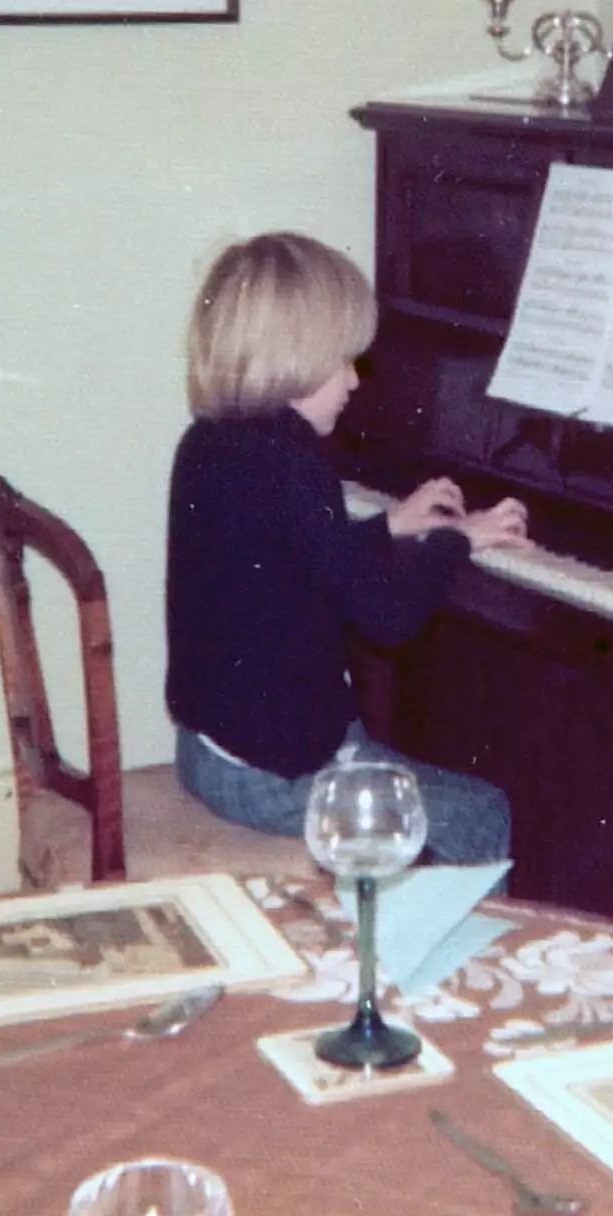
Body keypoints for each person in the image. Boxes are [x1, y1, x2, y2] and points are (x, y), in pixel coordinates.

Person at [166, 231, 529, 863]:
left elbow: (289, 562)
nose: (357, 380)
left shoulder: (210, 442)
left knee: (372, 738)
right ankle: (451, 961)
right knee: (481, 813)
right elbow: (387, 619)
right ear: (296, 360)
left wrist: (391, 526)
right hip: (270, 775)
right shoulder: (295, 462)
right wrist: (455, 540)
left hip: (209, 751)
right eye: (345, 361)